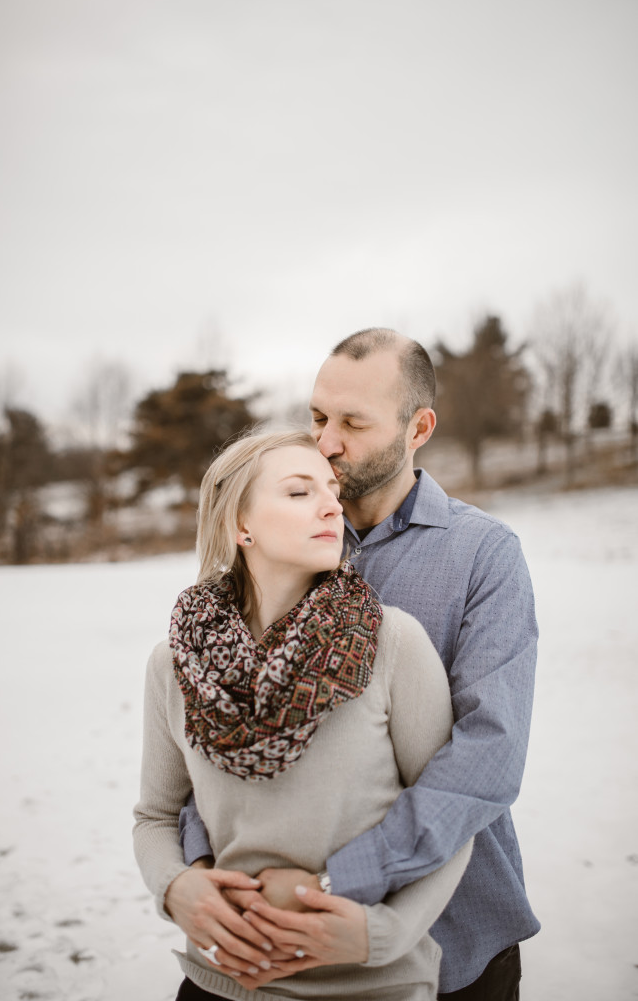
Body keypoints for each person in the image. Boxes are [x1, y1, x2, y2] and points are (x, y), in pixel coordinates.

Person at [179, 329, 540, 999]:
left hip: (450, 940)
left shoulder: (482, 556)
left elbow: (487, 756)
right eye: (317, 418)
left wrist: (337, 886)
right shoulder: (283, 531)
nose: (325, 443)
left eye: (352, 423)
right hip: (259, 938)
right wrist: (201, 866)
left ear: (418, 427)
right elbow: (219, 711)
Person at [133, 427, 472, 1001]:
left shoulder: (391, 643)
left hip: (369, 985)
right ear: (240, 526)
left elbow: (449, 815)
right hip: (221, 980)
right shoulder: (175, 664)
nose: (330, 505)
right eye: (298, 492)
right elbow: (157, 817)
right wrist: (174, 887)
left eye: (331, 492)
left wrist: (383, 934)